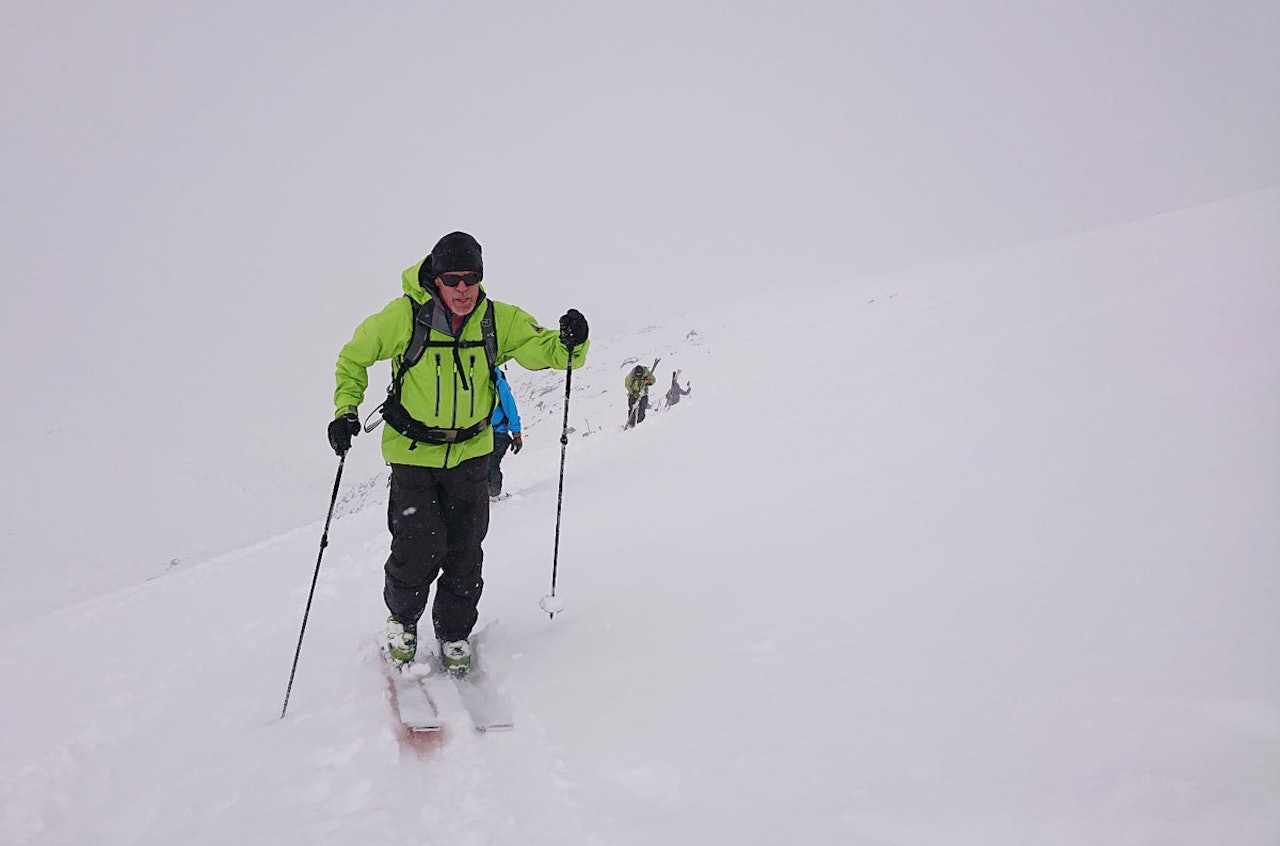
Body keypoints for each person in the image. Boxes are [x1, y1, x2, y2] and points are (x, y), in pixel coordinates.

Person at [329, 231, 589, 675]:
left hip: (471, 452)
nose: (463, 288)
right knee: (417, 546)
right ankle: (403, 621)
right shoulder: (404, 317)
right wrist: (345, 410)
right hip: (413, 453)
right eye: (453, 279)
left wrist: (572, 341)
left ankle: (454, 632)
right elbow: (353, 358)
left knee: (466, 550)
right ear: (436, 278)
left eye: (472, 278)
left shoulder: (497, 320)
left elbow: (548, 351)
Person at [488, 367, 523, 500]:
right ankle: (487, 495)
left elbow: (510, 407)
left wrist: (516, 433)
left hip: (497, 432)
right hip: (482, 432)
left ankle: (493, 494)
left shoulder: (497, 380)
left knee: (490, 463)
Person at [624, 363, 656, 428]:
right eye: (637, 375)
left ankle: (640, 425)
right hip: (633, 393)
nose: (638, 376)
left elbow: (653, 380)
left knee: (642, 409)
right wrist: (633, 392)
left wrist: (648, 382)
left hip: (643, 394)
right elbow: (627, 384)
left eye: (640, 375)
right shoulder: (631, 375)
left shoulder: (646, 373)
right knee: (632, 409)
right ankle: (631, 424)